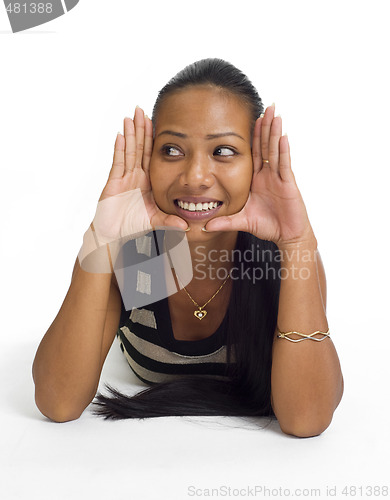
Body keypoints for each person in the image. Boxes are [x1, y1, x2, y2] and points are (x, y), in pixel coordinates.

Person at [32, 58, 344, 437]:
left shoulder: (286, 259)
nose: (195, 178)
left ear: (256, 164)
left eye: (223, 151)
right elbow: (58, 403)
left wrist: (298, 243)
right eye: (172, 150)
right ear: (148, 160)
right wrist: (100, 239)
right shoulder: (130, 257)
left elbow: (306, 420)